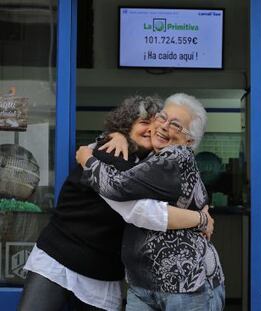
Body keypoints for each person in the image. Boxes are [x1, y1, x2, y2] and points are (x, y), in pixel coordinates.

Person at [19, 95, 214, 311]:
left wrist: (200, 207)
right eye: (143, 122)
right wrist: (200, 218)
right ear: (126, 127)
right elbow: (138, 210)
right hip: (59, 257)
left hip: (102, 272)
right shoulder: (110, 153)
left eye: (155, 121)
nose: (153, 129)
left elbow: (185, 188)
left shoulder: (153, 164)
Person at [76, 93, 225, 311]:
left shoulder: (175, 157)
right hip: (143, 284)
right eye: (161, 118)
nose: (163, 127)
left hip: (184, 285)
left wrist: (86, 158)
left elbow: (116, 186)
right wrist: (115, 135)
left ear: (189, 140)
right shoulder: (153, 158)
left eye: (175, 125)